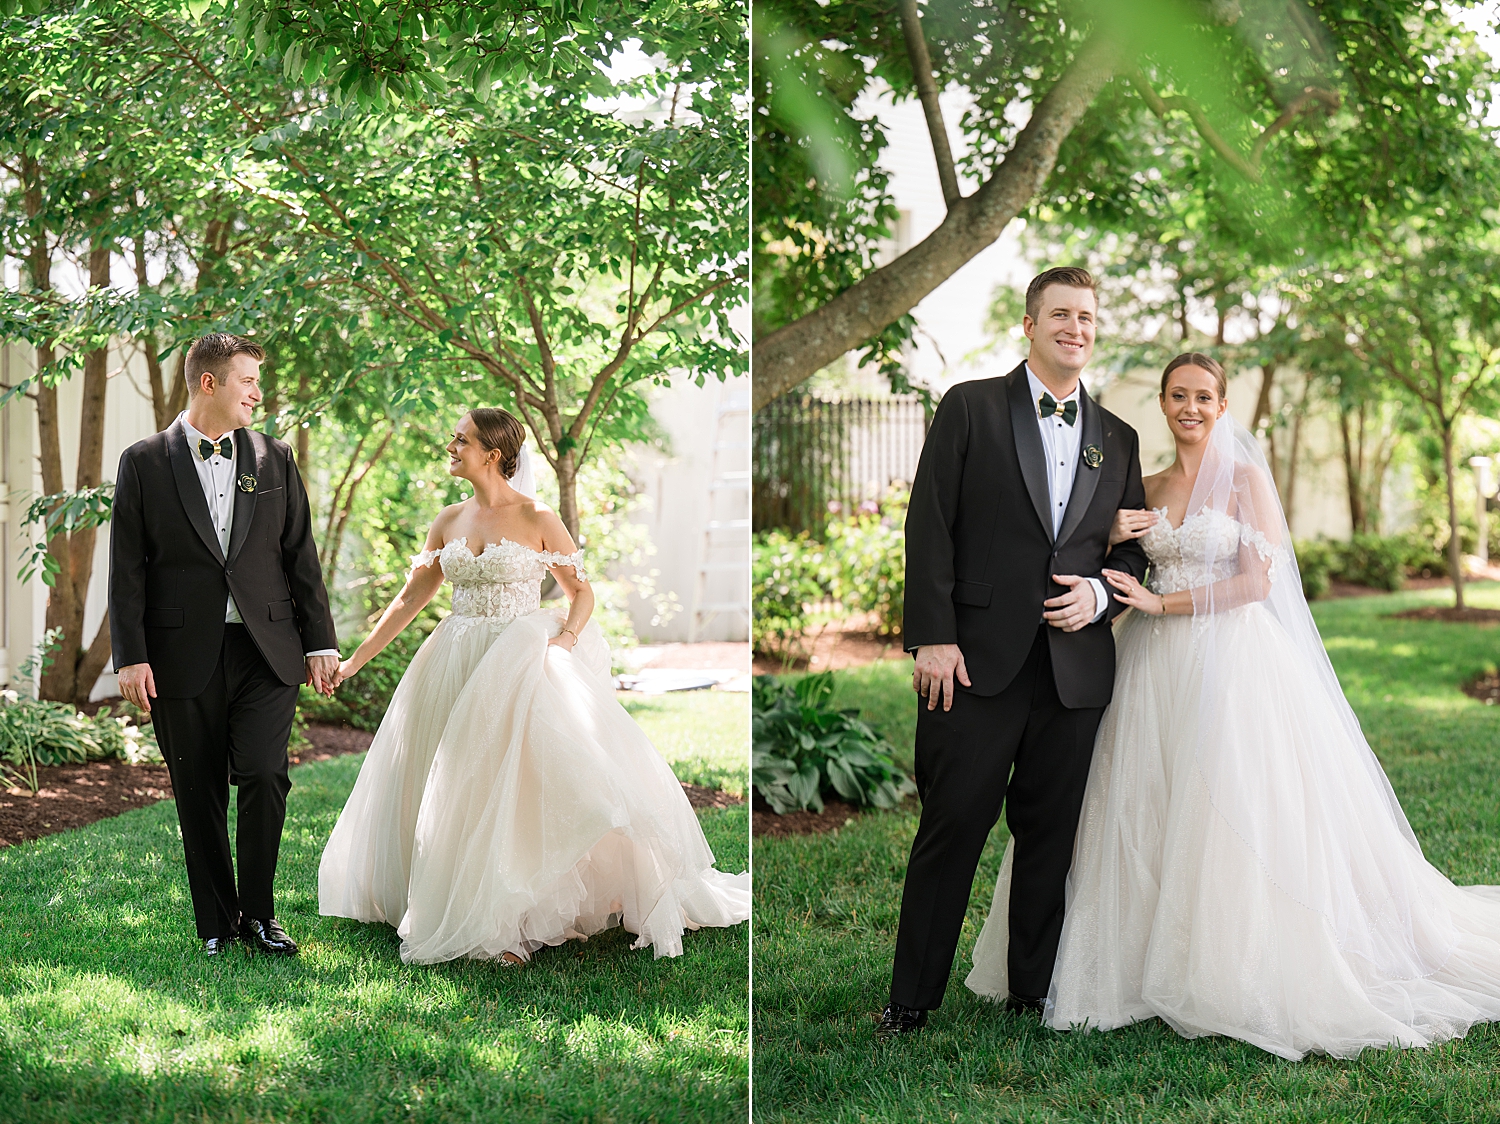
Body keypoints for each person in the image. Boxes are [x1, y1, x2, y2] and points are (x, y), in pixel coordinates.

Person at [968, 352, 1500, 1059]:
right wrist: (1115, 554)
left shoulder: (1247, 480)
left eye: (1204, 397)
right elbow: (1108, 563)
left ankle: (1231, 965)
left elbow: (1256, 583)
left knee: (1232, 805)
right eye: (1178, 395)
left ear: (1222, 407)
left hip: (1234, 661)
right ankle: (1123, 961)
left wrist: (1162, 600)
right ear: (1163, 403)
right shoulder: (1148, 486)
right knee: (1136, 802)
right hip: (1153, 664)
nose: (1190, 407)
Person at [317, 407, 750, 964]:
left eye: (461, 439)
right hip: (454, 658)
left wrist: (565, 641)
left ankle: (514, 921)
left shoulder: (539, 516)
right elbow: (409, 600)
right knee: (454, 782)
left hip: (520, 659)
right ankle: (443, 894)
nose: (451, 446)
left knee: (515, 788)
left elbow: (582, 593)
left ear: (492, 454)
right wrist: (353, 662)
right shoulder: (448, 520)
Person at [880, 267, 1151, 1037]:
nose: (1077, 327)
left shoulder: (1119, 438)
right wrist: (933, 636)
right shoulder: (969, 407)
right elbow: (929, 523)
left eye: (1089, 317)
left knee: (1050, 835)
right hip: (972, 662)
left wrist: (1101, 596)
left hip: (1074, 671)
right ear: (1029, 325)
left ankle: (1032, 990)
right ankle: (911, 1001)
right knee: (952, 826)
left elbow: (1127, 552)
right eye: (1061, 314)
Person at [110, 332, 339, 958]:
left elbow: (301, 558)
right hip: (182, 654)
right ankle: (216, 922)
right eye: (247, 381)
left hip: (267, 649)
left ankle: (261, 916)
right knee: (198, 788)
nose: (258, 394)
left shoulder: (274, 457)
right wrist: (130, 656)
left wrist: (320, 643)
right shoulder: (144, 461)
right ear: (208, 383)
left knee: (265, 774)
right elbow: (127, 568)